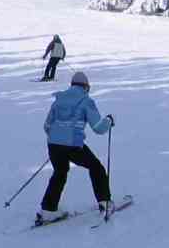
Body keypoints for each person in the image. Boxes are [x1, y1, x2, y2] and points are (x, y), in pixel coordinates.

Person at [36, 72, 114, 225]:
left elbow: (47, 126)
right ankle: (105, 203)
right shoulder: (86, 101)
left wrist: (57, 140)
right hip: (73, 146)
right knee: (96, 167)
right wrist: (109, 120)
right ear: (86, 87)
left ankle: (48, 211)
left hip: (53, 145)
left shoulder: (58, 101)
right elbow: (98, 128)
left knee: (60, 172)